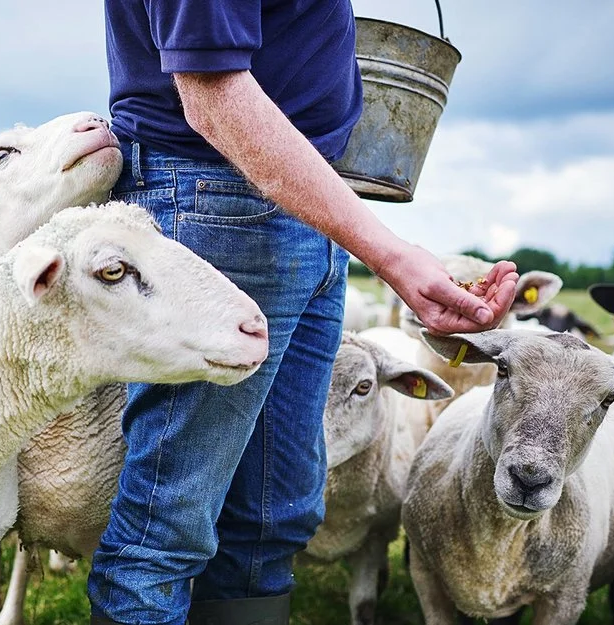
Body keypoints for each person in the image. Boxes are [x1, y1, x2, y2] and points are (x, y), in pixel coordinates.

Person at [88, 2, 519, 624]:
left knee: (273, 515)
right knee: (167, 523)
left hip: (304, 200)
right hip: (217, 203)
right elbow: (211, 91)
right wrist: (392, 256)